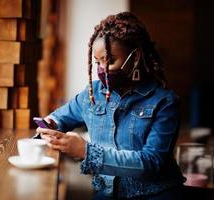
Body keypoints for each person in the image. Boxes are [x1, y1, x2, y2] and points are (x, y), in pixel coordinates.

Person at [36, 12, 185, 200]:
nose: (101, 70)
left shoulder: (164, 102)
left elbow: (151, 163)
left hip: (156, 194)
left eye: (110, 61)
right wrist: (49, 125)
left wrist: (85, 151)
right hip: (106, 193)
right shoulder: (93, 93)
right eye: (98, 62)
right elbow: (58, 118)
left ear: (135, 57)